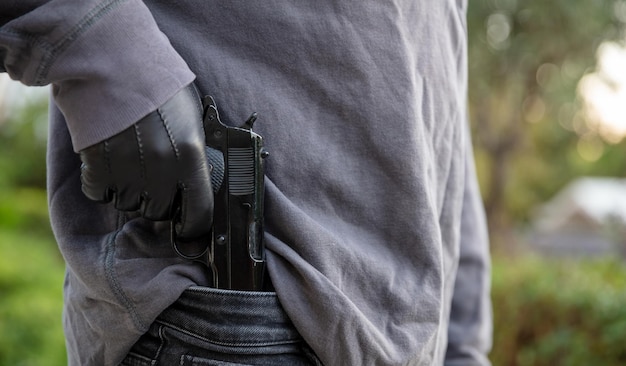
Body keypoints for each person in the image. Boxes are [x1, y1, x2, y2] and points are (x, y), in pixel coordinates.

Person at [0, 1, 492, 365]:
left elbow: (431, 82)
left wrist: (461, 335)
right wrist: (94, 41)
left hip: (401, 330)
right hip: (241, 314)